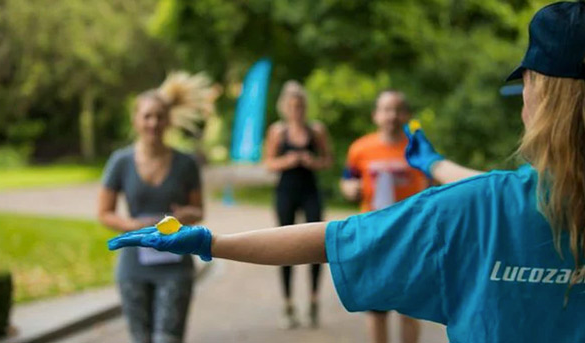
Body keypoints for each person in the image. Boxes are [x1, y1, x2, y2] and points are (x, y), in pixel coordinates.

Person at [107, 2, 585, 342]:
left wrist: (211, 243)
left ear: (540, 98)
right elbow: (498, 192)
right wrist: (434, 164)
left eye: (526, 84)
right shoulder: (483, 201)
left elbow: (332, 238)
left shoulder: (475, 207)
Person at [98, 85, 203, 343]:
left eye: (159, 116)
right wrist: (132, 224)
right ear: (136, 120)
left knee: (168, 339)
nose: (153, 122)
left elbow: (198, 211)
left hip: (176, 265)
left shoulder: (186, 163)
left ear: (168, 121)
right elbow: (104, 213)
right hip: (134, 266)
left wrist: (186, 215)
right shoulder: (120, 162)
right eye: (147, 116)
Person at [340, 90, 427, 343]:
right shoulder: (360, 148)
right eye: (386, 109)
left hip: (409, 234)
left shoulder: (417, 148)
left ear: (407, 115)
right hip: (372, 234)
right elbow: (348, 179)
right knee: (376, 307)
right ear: (376, 115)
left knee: (410, 307)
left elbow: (432, 183)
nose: (392, 115)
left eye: (398, 109)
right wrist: (349, 189)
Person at [264, 80, 333, 328]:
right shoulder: (277, 132)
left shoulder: (316, 130)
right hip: (286, 191)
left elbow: (328, 161)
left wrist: (312, 161)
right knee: (285, 245)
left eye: (300, 106)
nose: (296, 111)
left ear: (305, 107)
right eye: (292, 106)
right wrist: (289, 160)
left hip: (310, 191)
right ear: (285, 107)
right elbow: (268, 163)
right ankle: (288, 303)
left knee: (315, 243)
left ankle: (314, 301)